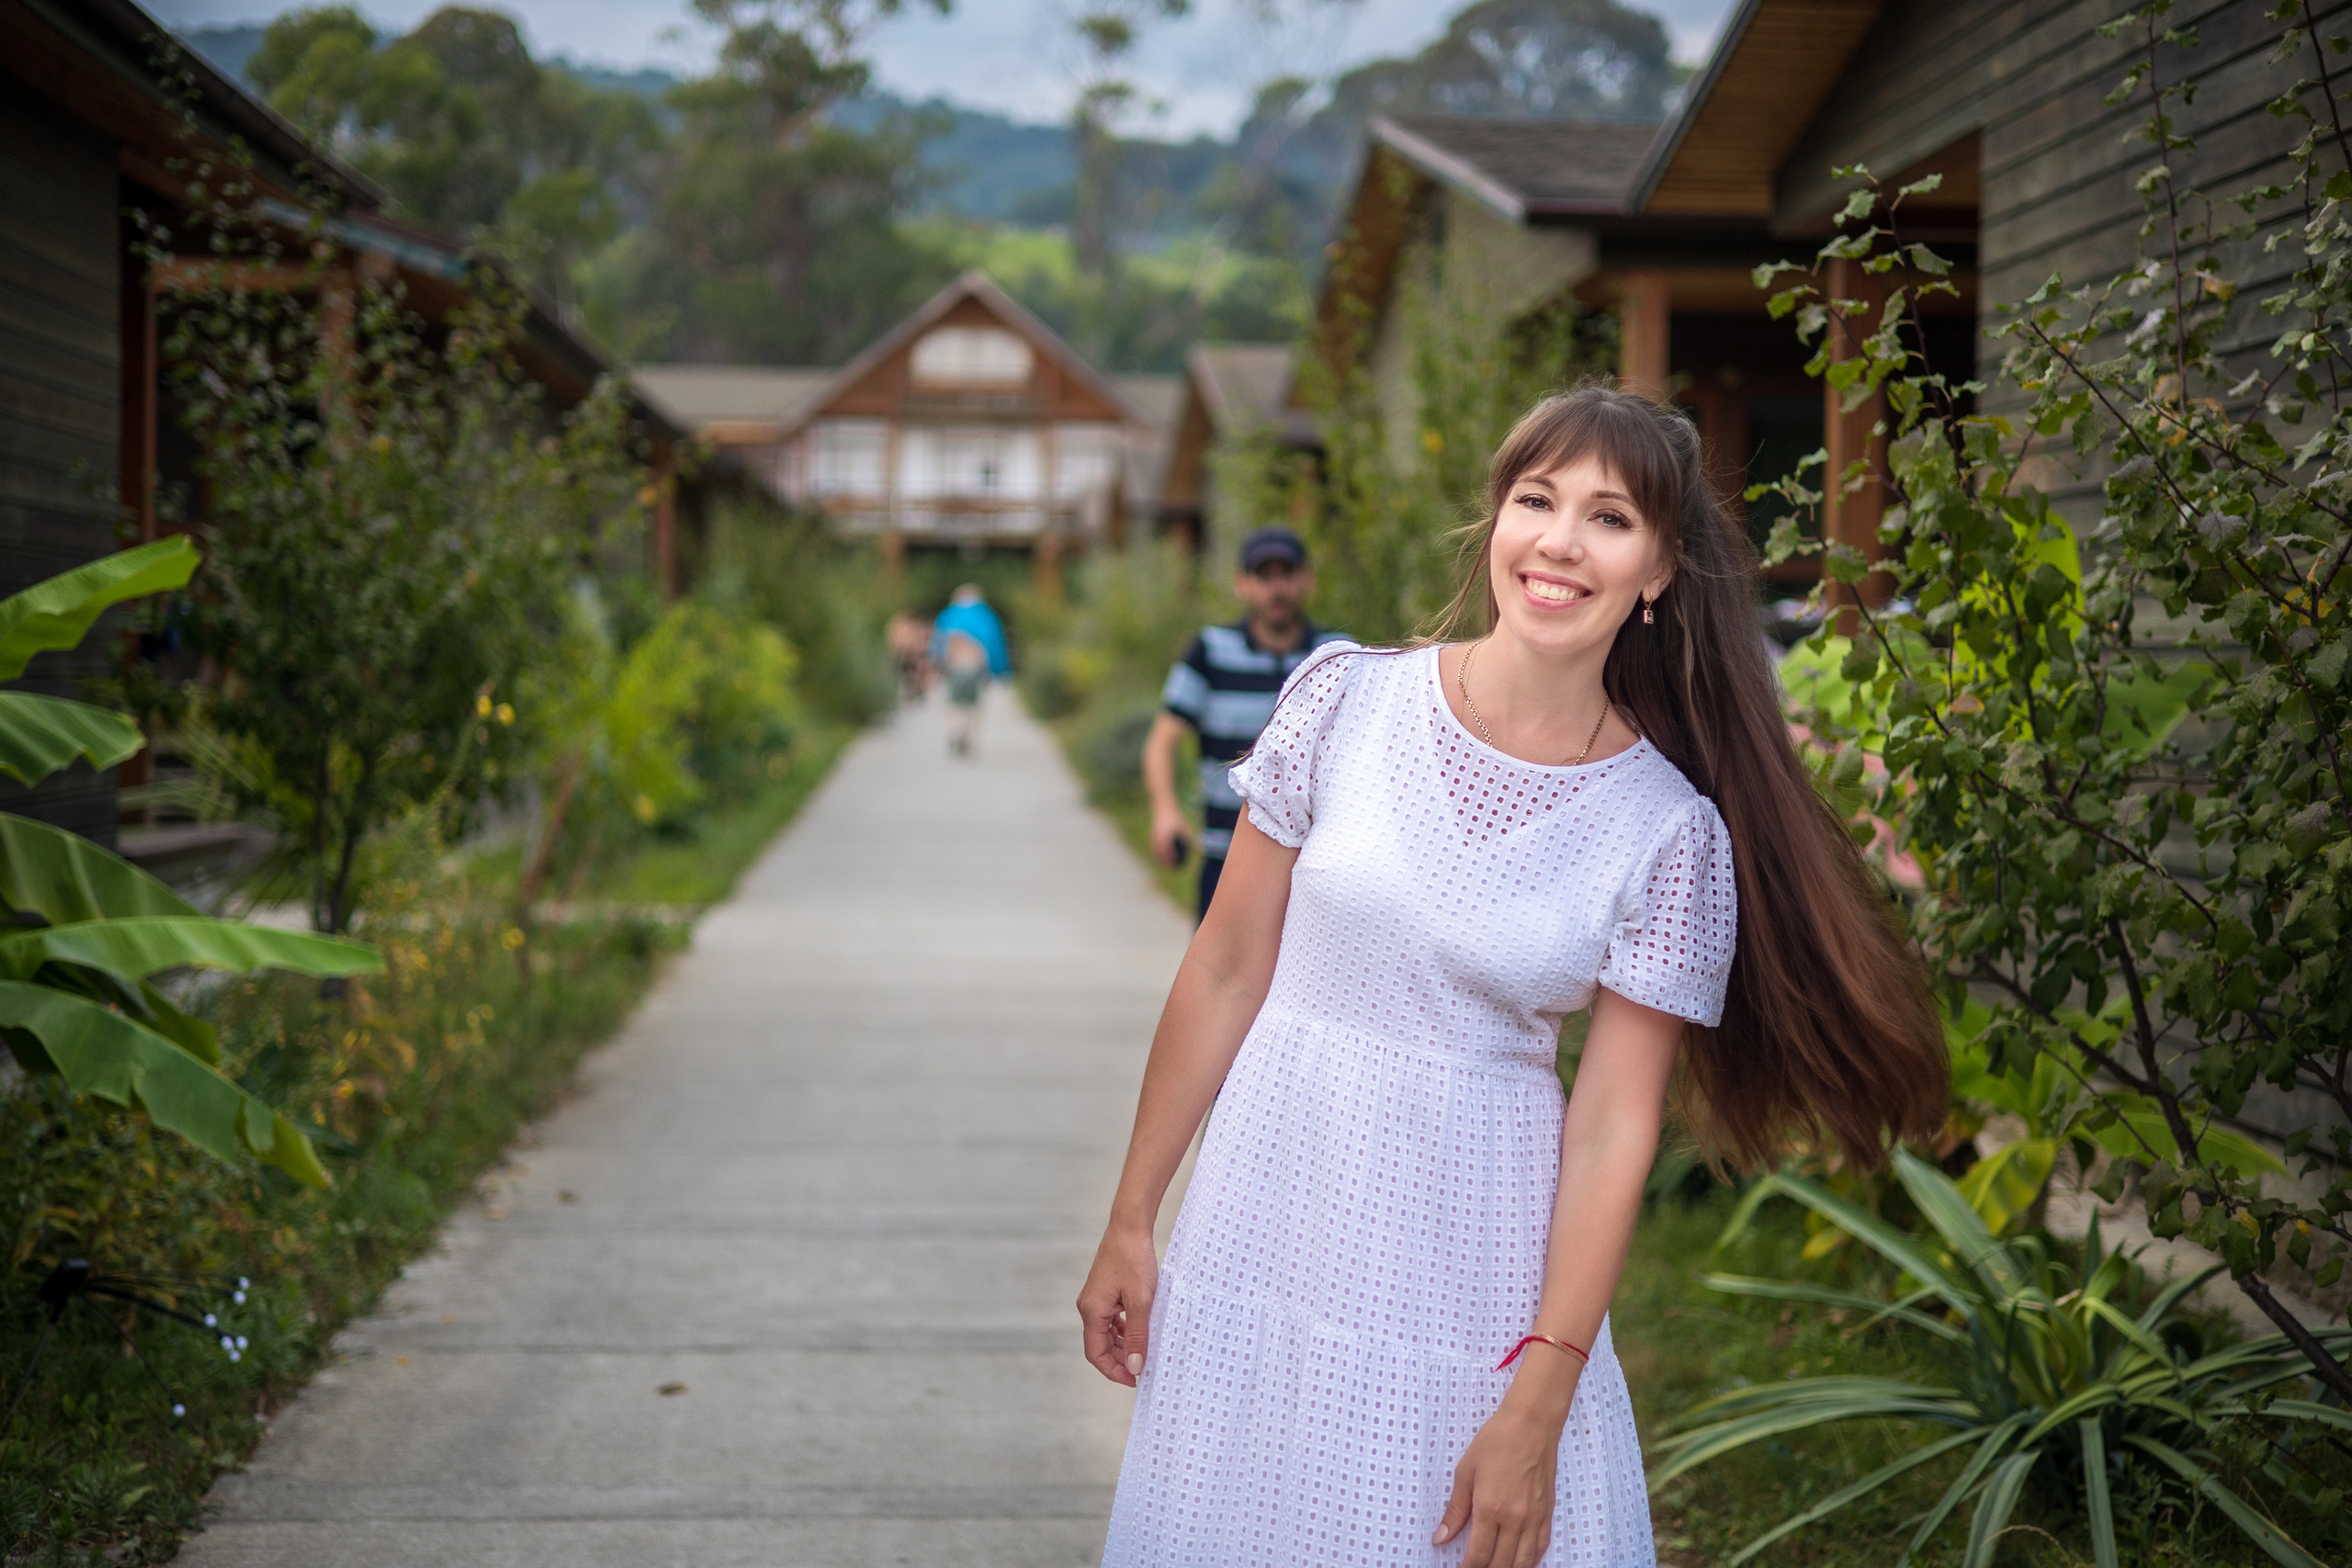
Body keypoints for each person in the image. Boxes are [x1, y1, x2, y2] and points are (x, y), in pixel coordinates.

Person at [1079, 387, 1949, 1568]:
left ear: (1656, 571)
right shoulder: (1343, 700)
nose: (1558, 542)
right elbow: (1227, 968)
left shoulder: (1664, 832)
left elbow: (1609, 1127)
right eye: (1536, 500)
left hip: (1473, 1259)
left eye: (1608, 518)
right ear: (1494, 521)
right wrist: (1134, 1218)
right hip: (1263, 1216)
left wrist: (1541, 1395)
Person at [1144, 526, 1348, 922]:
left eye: (1286, 574)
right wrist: (1166, 812)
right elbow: (1161, 743)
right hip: (1226, 857)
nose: (1277, 588)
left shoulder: (1336, 656)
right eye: (1264, 576)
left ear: (1306, 580)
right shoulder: (1210, 651)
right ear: (1242, 584)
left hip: (1311, 865)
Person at [929, 584, 1011, 758]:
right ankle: (970, 739)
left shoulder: (948, 614)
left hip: (953, 665)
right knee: (974, 703)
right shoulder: (987, 616)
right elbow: (996, 645)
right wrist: (999, 670)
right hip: (977, 666)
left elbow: (937, 644)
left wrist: (935, 665)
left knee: (953, 701)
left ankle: (955, 730)